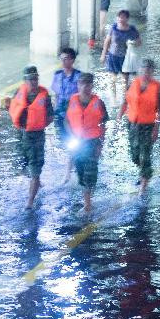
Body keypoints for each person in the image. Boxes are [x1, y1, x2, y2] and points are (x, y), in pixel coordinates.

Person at [117, 59, 160, 196]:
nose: (146, 72)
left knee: (145, 155)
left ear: (152, 72)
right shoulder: (133, 84)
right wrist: (119, 117)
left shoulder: (157, 88)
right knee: (134, 155)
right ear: (139, 70)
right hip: (132, 125)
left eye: (149, 70)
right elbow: (125, 101)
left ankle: (143, 186)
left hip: (148, 126)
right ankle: (144, 172)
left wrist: (156, 127)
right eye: (143, 69)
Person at [9, 66, 54, 209]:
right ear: (25, 81)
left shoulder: (44, 95)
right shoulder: (19, 92)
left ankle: (30, 202)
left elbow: (50, 116)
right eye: (31, 79)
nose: (34, 82)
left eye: (36, 78)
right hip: (21, 134)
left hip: (36, 136)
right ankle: (37, 180)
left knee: (35, 168)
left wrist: (38, 125)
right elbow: (12, 108)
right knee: (23, 164)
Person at [65, 72, 108, 213]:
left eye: (88, 84)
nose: (84, 87)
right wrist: (70, 136)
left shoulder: (99, 103)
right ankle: (87, 197)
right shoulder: (71, 101)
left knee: (90, 173)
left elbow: (103, 124)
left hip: (92, 142)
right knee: (81, 172)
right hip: (77, 142)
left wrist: (101, 144)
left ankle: (88, 204)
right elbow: (66, 120)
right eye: (82, 84)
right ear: (78, 85)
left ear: (91, 85)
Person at [51, 47, 82, 183]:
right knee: (67, 143)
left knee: (72, 142)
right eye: (61, 59)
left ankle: (68, 173)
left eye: (66, 59)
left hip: (74, 117)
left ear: (72, 60)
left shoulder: (79, 77)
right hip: (60, 116)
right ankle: (74, 162)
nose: (63, 62)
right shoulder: (57, 75)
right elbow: (56, 96)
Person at [100, 10, 141, 92]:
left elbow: (139, 42)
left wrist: (132, 43)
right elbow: (107, 41)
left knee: (125, 79)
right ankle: (113, 100)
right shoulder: (114, 28)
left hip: (125, 58)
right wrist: (103, 55)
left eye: (123, 17)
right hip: (113, 56)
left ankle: (124, 98)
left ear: (127, 18)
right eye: (119, 17)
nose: (120, 19)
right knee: (112, 79)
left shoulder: (132, 29)